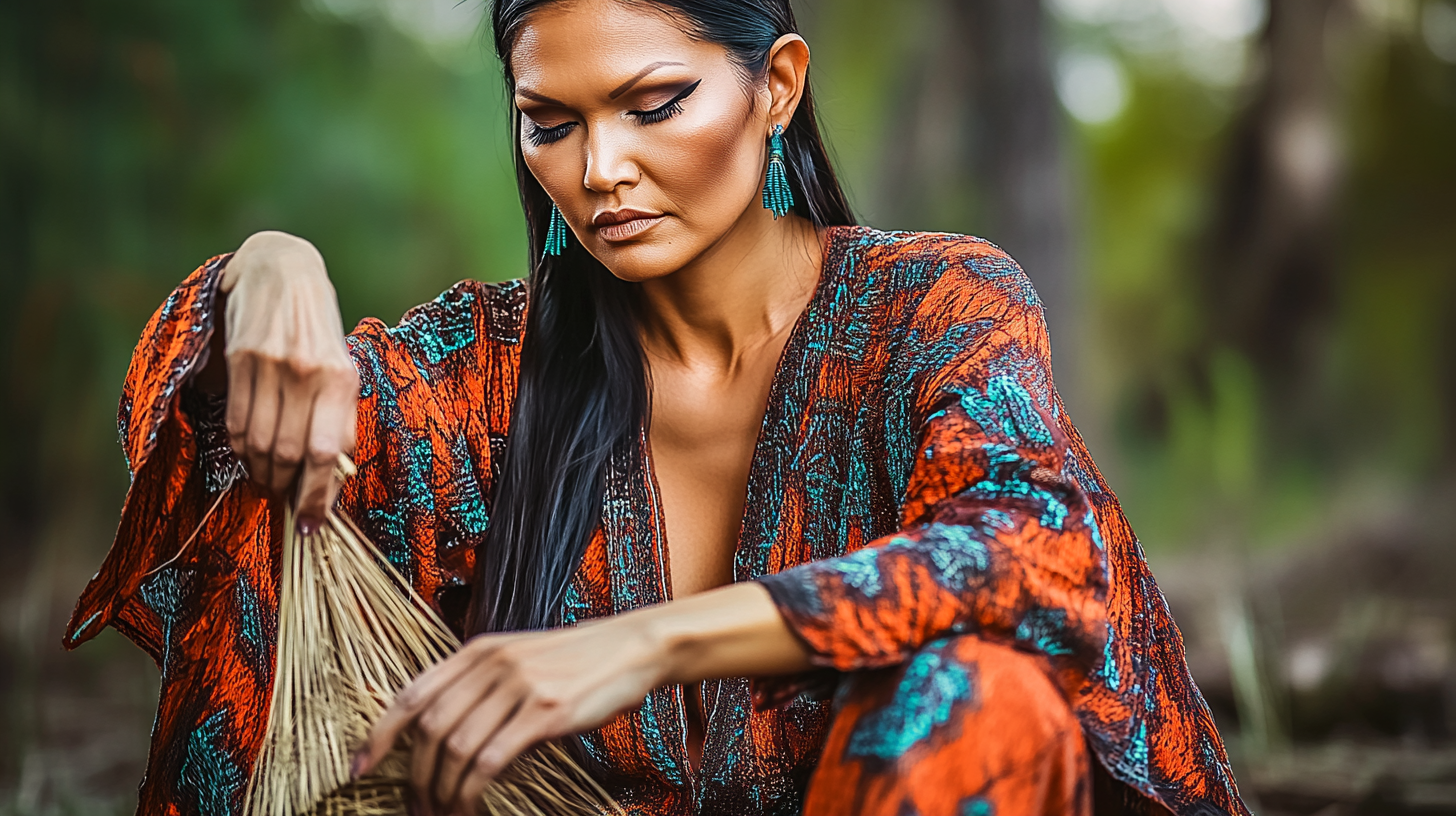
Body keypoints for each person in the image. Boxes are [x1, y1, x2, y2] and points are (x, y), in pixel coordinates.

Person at [64, 1, 1250, 814]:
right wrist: (266, 270)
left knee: (972, 699)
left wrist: (641, 643)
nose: (600, 171)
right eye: (553, 122)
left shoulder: (928, 306)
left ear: (775, 86)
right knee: (273, 502)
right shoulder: (487, 366)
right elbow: (203, 456)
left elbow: (1034, 547)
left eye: (655, 103)